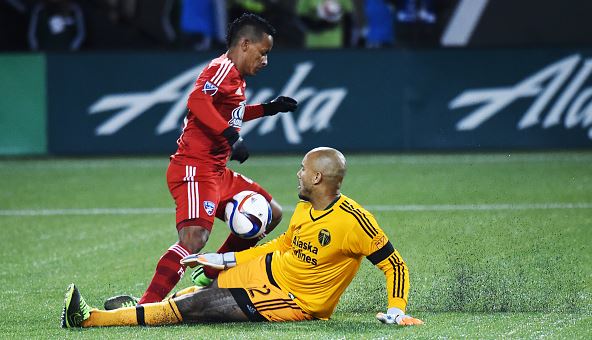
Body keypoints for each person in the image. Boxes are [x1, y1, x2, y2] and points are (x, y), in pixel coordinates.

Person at [61, 147, 423, 327]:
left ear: (317, 179)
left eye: (303, 169)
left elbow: (396, 265)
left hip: (295, 300)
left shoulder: (354, 221)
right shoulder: (305, 208)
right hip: (272, 272)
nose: (297, 174)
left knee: (195, 308)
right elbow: (282, 246)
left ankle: (88, 319)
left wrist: (396, 311)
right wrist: (220, 259)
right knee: (194, 292)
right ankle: (141, 311)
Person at [109, 12, 299, 308]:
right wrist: (231, 138)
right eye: (263, 53)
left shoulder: (236, 78)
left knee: (271, 213)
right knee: (193, 239)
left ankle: (208, 272)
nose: (265, 61)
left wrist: (268, 108)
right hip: (194, 169)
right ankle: (145, 308)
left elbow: (231, 112)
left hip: (217, 172)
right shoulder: (222, 68)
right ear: (245, 44)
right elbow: (197, 100)